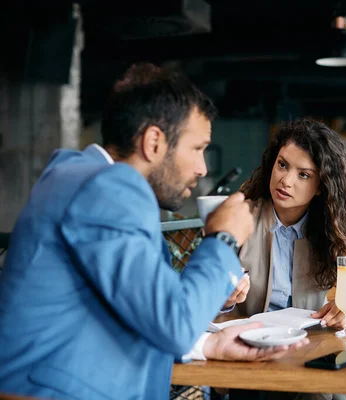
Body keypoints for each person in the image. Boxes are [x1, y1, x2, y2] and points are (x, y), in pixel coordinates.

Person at [0, 63, 307, 400]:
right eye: (197, 148)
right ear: (154, 142)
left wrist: (208, 342)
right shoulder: (108, 188)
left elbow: (141, 313)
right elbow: (172, 322)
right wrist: (223, 238)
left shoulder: (81, 179)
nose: (202, 167)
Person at [219, 119, 346, 400]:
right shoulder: (239, 218)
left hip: (312, 362)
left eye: (303, 175)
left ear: (320, 186)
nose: (286, 180)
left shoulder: (335, 233)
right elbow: (203, 301)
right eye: (283, 165)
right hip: (250, 360)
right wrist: (225, 298)